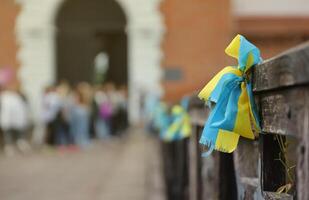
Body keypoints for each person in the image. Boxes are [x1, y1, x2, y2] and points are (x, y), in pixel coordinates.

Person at [0, 86, 31, 156]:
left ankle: (13, 147)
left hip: (10, 119)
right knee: (12, 134)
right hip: (13, 119)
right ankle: (14, 147)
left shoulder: (6, 97)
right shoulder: (15, 97)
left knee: (10, 134)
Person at [69, 83, 91, 148]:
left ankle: (77, 142)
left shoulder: (76, 94)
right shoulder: (87, 94)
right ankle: (82, 142)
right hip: (84, 111)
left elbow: (74, 103)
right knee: (83, 128)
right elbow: (87, 104)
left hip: (77, 110)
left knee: (76, 128)